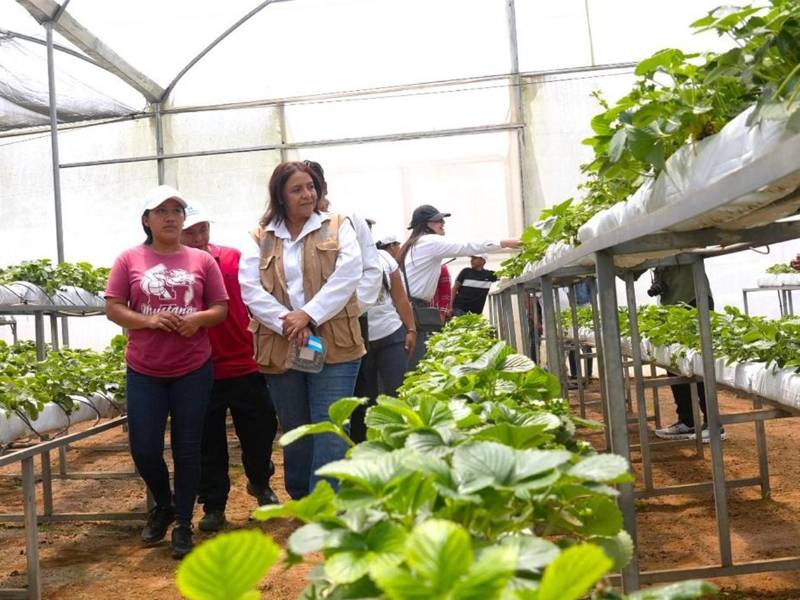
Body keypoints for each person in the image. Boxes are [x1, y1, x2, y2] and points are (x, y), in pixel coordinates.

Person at [104, 185, 229, 559]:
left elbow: (219, 307)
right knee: (144, 448)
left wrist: (198, 321)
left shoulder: (201, 261)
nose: (171, 216)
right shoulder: (130, 259)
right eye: (161, 211)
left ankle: (183, 525)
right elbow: (113, 307)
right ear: (147, 220)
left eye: (177, 210)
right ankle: (164, 502)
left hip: (193, 367)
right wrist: (147, 321)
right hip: (145, 368)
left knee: (188, 448)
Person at [239, 161, 365, 500]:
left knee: (331, 425)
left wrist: (307, 315)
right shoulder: (260, 237)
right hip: (282, 343)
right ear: (280, 195)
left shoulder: (338, 226)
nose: (307, 194)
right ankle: (301, 496)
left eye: (311, 186)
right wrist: (289, 321)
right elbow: (250, 289)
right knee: (296, 427)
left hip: (335, 342)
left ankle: (325, 502)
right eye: (297, 189)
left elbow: (349, 273)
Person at [180, 204, 279, 534]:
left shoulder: (234, 258)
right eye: (190, 232)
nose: (198, 237)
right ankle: (214, 504)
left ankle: (260, 483)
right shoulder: (174, 270)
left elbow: (258, 296)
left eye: (203, 229)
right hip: (199, 368)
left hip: (243, 360)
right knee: (207, 439)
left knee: (260, 428)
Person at [400, 204, 521, 370]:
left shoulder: (415, 243)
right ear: (426, 224)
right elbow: (466, 246)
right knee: (413, 360)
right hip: (412, 307)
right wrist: (505, 242)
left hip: (409, 306)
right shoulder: (429, 241)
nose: (442, 222)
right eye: (437, 220)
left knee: (413, 357)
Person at [350, 234, 417, 443]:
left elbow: (400, 297)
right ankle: (368, 445)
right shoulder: (343, 260)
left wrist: (411, 329)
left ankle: (401, 440)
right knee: (364, 398)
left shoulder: (384, 259)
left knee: (397, 390)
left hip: (390, 332)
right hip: (358, 339)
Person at [651, 264, 726, 442]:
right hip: (670, 303)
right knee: (673, 360)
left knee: (700, 360)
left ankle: (713, 423)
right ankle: (687, 421)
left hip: (693, 297)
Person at [567, 280, 593, 386]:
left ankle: (588, 375)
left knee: (586, 342)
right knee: (572, 343)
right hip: (572, 306)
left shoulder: (584, 275)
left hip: (585, 305)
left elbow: (592, 290)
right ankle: (575, 375)